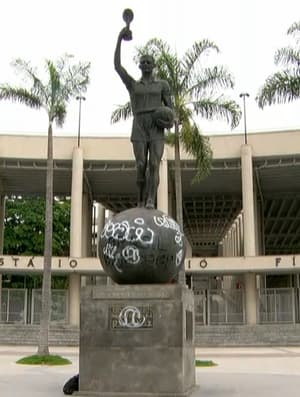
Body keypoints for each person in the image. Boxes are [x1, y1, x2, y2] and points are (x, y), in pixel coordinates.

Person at [114, 26, 174, 209]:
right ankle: (140, 199)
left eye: (149, 62)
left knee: (154, 164)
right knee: (141, 166)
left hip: (156, 126)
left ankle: (150, 200)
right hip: (139, 124)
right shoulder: (133, 85)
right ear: (140, 66)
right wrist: (119, 39)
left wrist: (169, 120)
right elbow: (117, 66)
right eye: (143, 62)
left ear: (154, 66)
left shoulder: (162, 85)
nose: (146, 64)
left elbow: (171, 109)